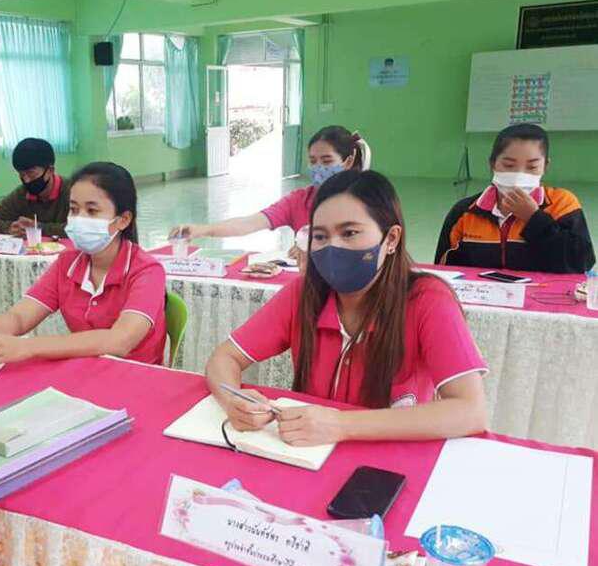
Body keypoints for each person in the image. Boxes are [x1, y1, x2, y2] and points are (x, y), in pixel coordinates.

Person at [206, 170, 489, 446]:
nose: (333, 247)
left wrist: (340, 425)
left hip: (391, 456)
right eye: (320, 236)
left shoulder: (427, 300)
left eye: (350, 233)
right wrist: (233, 402)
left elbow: (470, 410)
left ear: (391, 239)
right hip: (308, 452)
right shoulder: (304, 294)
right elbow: (225, 357)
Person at [0, 162, 167, 365]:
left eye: (92, 211)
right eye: (74, 209)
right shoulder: (67, 264)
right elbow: (20, 318)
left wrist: (28, 347)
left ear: (123, 220)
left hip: (136, 376)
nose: (79, 219)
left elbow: (120, 341)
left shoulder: (147, 271)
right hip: (84, 369)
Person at [169, 126, 372, 263]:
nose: (318, 168)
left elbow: (369, 251)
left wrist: (314, 249)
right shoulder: (299, 200)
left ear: (348, 161)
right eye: (312, 161)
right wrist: (201, 230)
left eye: (327, 161)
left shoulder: (365, 201)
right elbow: (249, 223)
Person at [435, 123, 595, 273]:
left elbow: (582, 263)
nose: (519, 175)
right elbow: (443, 270)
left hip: (543, 293)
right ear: (493, 164)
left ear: (545, 166)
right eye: (509, 165)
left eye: (532, 167)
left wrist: (534, 218)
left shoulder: (562, 204)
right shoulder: (465, 211)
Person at [0, 138, 69, 237]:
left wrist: (38, 227)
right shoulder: (22, 193)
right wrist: (9, 227)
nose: (27, 180)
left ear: (50, 170)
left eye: (31, 173)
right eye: (21, 174)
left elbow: (79, 230)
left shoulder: (72, 191)